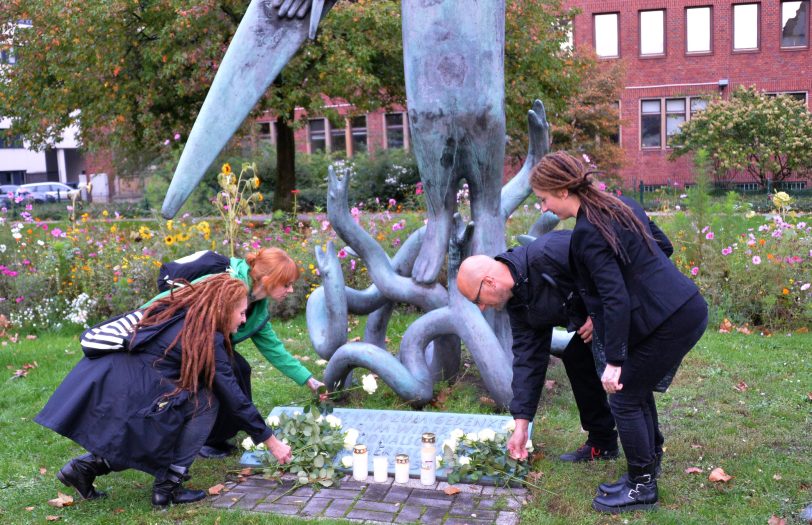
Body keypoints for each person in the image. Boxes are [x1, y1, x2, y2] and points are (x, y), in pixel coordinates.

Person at [530, 151, 707, 514]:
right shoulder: (620, 204)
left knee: (623, 394)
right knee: (635, 389)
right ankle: (650, 460)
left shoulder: (586, 232)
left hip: (671, 320)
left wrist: (614, 360)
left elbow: (615, 297)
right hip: (685, 306)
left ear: (563, 190)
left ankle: (642, 485)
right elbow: (663, 247)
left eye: (544, 199)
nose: (544, 208)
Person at [35, 274, 292, 508]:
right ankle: (169, 488)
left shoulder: (185, 314)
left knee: (165, 423)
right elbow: (234, 398)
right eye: (242, 313)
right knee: (205, 404)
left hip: (116, 381)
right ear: (224, 310)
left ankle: (83, 469)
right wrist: (271, 441)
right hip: (128, 391)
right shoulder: (207, 339)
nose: (244, 320)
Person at [457, 233, 619, 463]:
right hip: (600, 315)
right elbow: (528, 359)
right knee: (576, 357)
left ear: (490, 282)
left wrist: (598, 313)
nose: (482, 308)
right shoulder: (519, 302)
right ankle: (603, 443)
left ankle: (644, 463)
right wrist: (522, 424)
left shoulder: (550, 252)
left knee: (622, 375)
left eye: (477, 300)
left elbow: (609, 264)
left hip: (629, 306)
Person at [147, 247, 324, 458]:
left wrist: (309, 380)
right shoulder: (226, 287)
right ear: (267, 280)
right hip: (178, 340)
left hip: (207, 341)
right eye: (286, 284)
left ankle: (224, 434)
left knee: (240, 368)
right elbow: (170, 305)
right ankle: (211, 439)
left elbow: (273, 348)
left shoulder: (257, 304)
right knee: (230, 371)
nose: (291, 290)